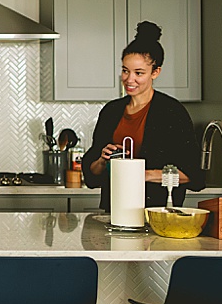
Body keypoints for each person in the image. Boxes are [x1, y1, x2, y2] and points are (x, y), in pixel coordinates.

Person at [81, 21, 203, 210]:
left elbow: (192, 175)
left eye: (139, 73)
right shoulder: (111, 111)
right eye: (125, 71)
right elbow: (92, 176)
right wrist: (102, 161)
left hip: (158, 213)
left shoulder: (172, 112)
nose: (129, 80)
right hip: (115, 212)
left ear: (155, 72)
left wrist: (141, 174)